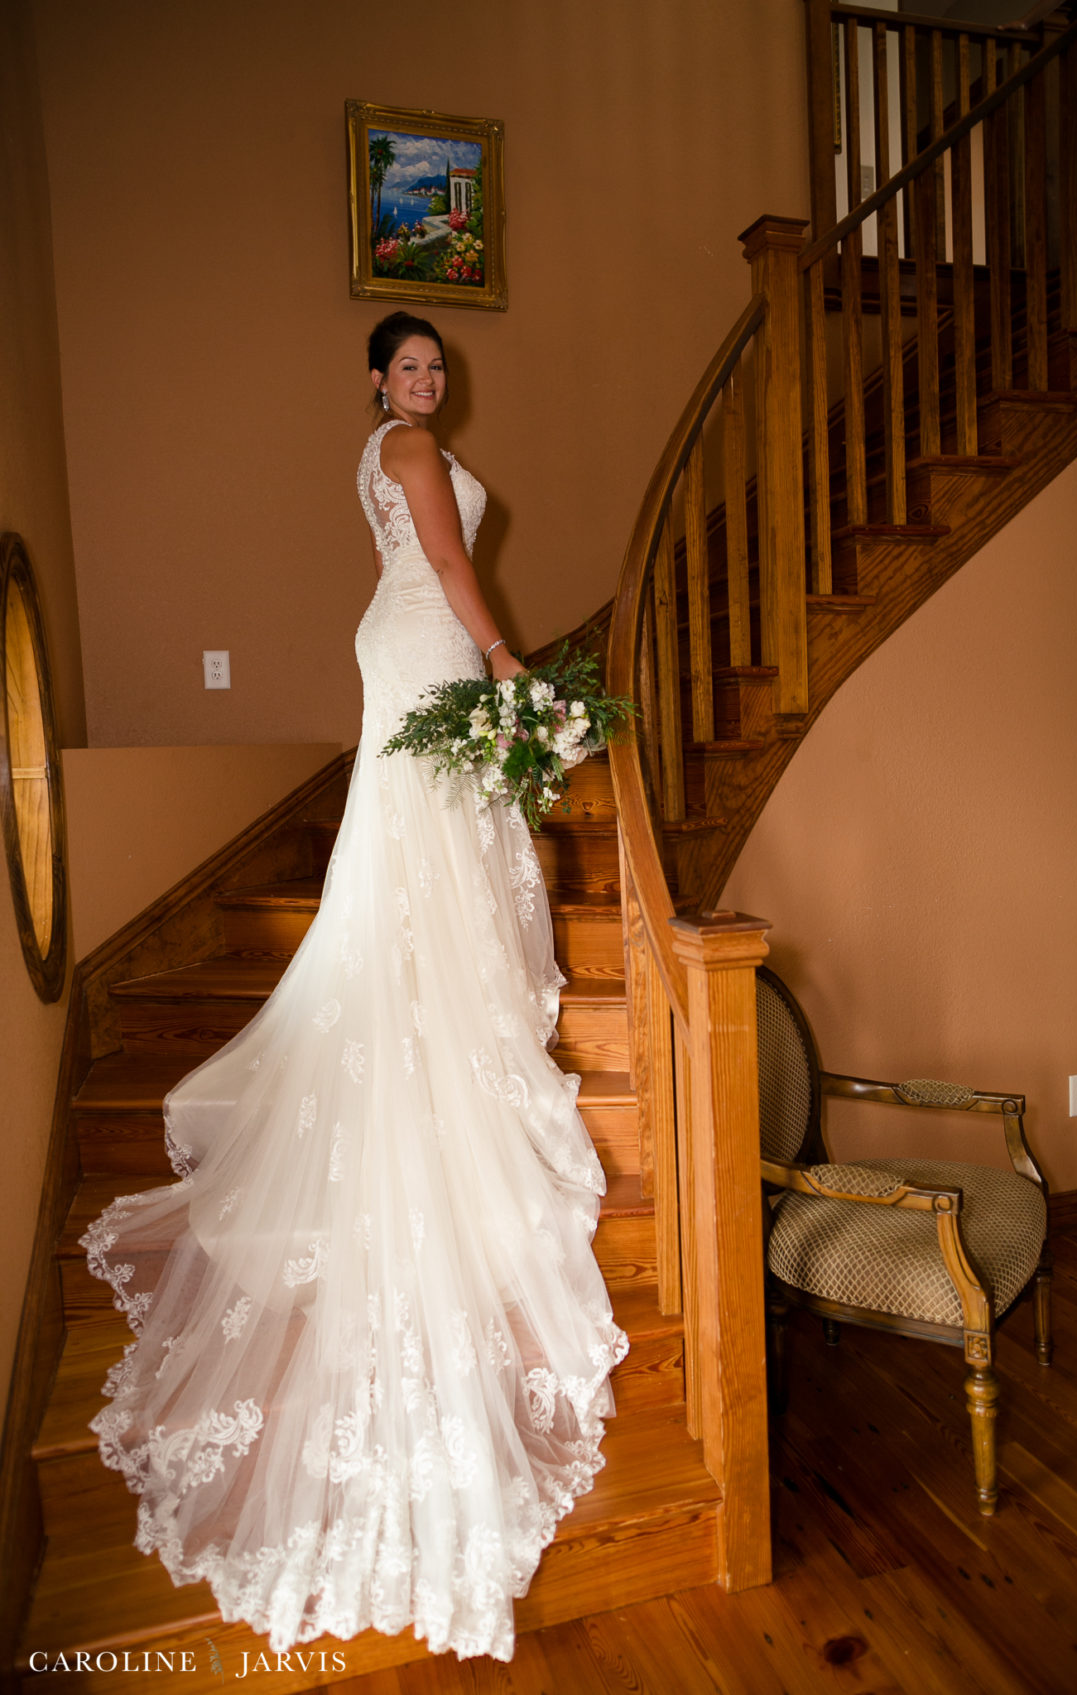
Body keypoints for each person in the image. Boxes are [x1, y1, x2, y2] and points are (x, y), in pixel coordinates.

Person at [81, 311, 628, 1662]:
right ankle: (438, 1045)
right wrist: (510, 667)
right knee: (426, 857)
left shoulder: (372, 448)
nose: (427, 382)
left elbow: (423, 553)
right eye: (409, 365)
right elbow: (445, 556)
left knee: (411, 862)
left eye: (438, 367)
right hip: (429, 648)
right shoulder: (414, 446)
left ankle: (429, 1034)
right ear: (380, 380)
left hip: (394, 654)